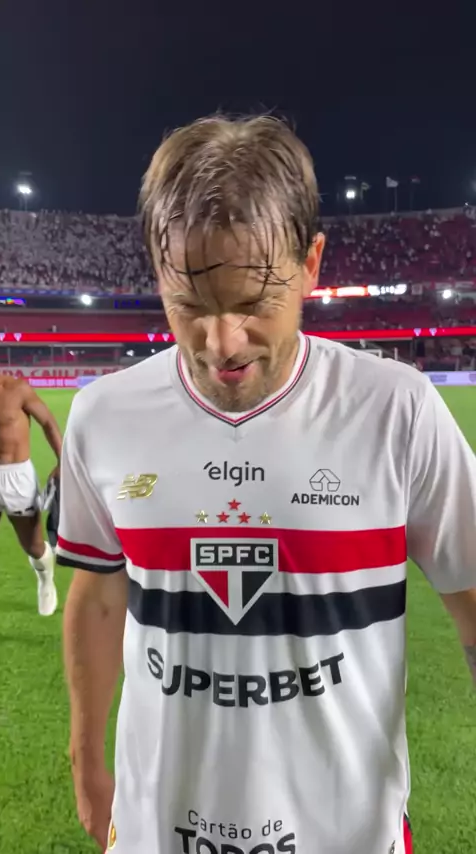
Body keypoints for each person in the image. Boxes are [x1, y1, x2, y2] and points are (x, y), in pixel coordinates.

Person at [58, 115, 476, 854]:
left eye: (253, 302)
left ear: (311, 263)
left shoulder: (398, 411)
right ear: (156, 271)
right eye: (189, 306)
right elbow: (97, 596)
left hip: (347, 835)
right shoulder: (103, 415)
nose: (221, 343)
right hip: (155, 829)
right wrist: (86, 754)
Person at [0, 375, 60, 615]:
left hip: (16, 477)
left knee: (33, 546)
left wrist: (63, 462)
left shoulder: (16, 389)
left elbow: (48, 422)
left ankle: (46, 580)